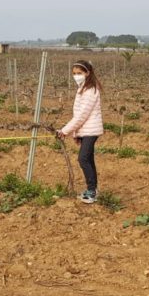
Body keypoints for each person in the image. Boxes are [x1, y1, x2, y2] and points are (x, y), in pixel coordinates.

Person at [56, 59, 103, 203]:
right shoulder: (83, 88)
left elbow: (82, 115)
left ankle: (91, 191)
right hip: (86, 130)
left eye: (79, 73)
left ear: (87, 73)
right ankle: (93, 190)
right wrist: (77, 133)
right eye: (74, 73)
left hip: (91, 131)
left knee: (83, 159)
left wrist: (65, 131)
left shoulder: (90, 90)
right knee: (88, 159)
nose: (76, 76)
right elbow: (80, 115)